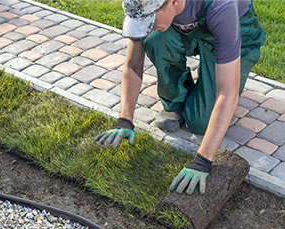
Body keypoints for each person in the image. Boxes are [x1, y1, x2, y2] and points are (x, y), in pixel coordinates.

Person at [95, 0, 265, 195]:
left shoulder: (222, 6)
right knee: (155, 38)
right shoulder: (147, 5)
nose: (146, 25)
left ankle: (206, 84)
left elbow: (227, 92)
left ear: (174, 2)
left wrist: (203, 159)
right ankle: (175, 102)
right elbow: (133, 65)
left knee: (201, 122)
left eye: (150, 19)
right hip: (186, 27)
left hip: (236, 30)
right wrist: (124, 120)